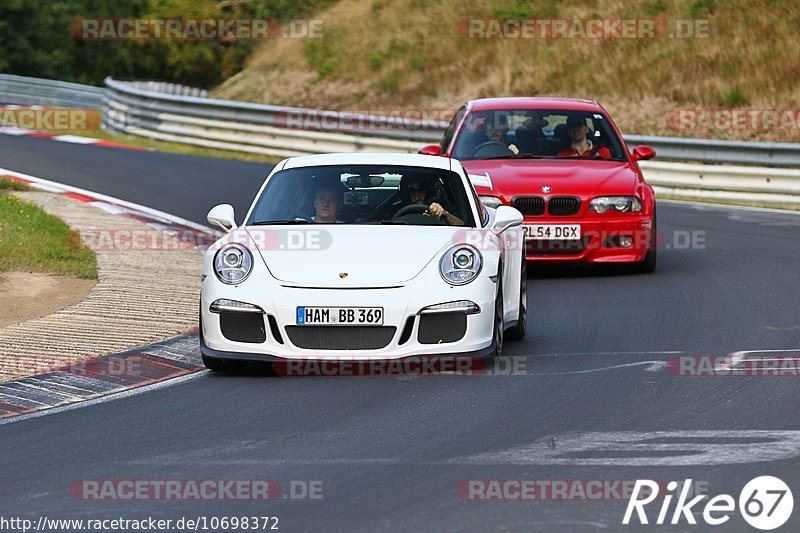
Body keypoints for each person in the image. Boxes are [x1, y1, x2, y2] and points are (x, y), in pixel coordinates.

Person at [398, 177, 463, 225]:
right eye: (412, 193)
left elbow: (462, 226)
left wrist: (445, 214)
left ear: (430, 192)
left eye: (421, 192)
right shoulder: (396, 210)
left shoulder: (442, 208)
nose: (417, 197)